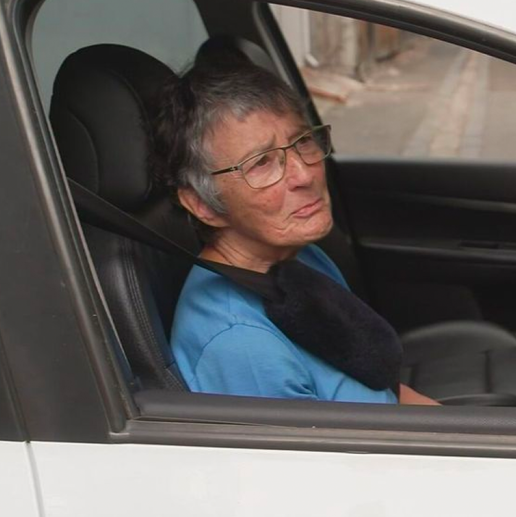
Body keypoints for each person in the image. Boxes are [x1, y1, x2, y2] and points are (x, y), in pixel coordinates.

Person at [154, 59, 436, 405]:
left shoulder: (296, 257)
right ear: (203, 205)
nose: (305, 174)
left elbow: (381, 388)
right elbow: (310, 460)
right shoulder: (240, 344)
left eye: (302, 141)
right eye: (261, 163)